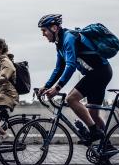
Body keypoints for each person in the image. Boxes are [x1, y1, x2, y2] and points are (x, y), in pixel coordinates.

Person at [37, 14, 112, 143]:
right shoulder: (59, 43)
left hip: (99, 72)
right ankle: (106, 146)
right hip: (97, 73)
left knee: (71, 99)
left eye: (44, 30)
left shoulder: (68, 38)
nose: (43, 34)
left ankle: (94, 132)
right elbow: (59, 68)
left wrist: (57, 88)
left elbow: (70, 66)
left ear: (54, 28)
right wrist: (47, 86)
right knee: (93, 115)